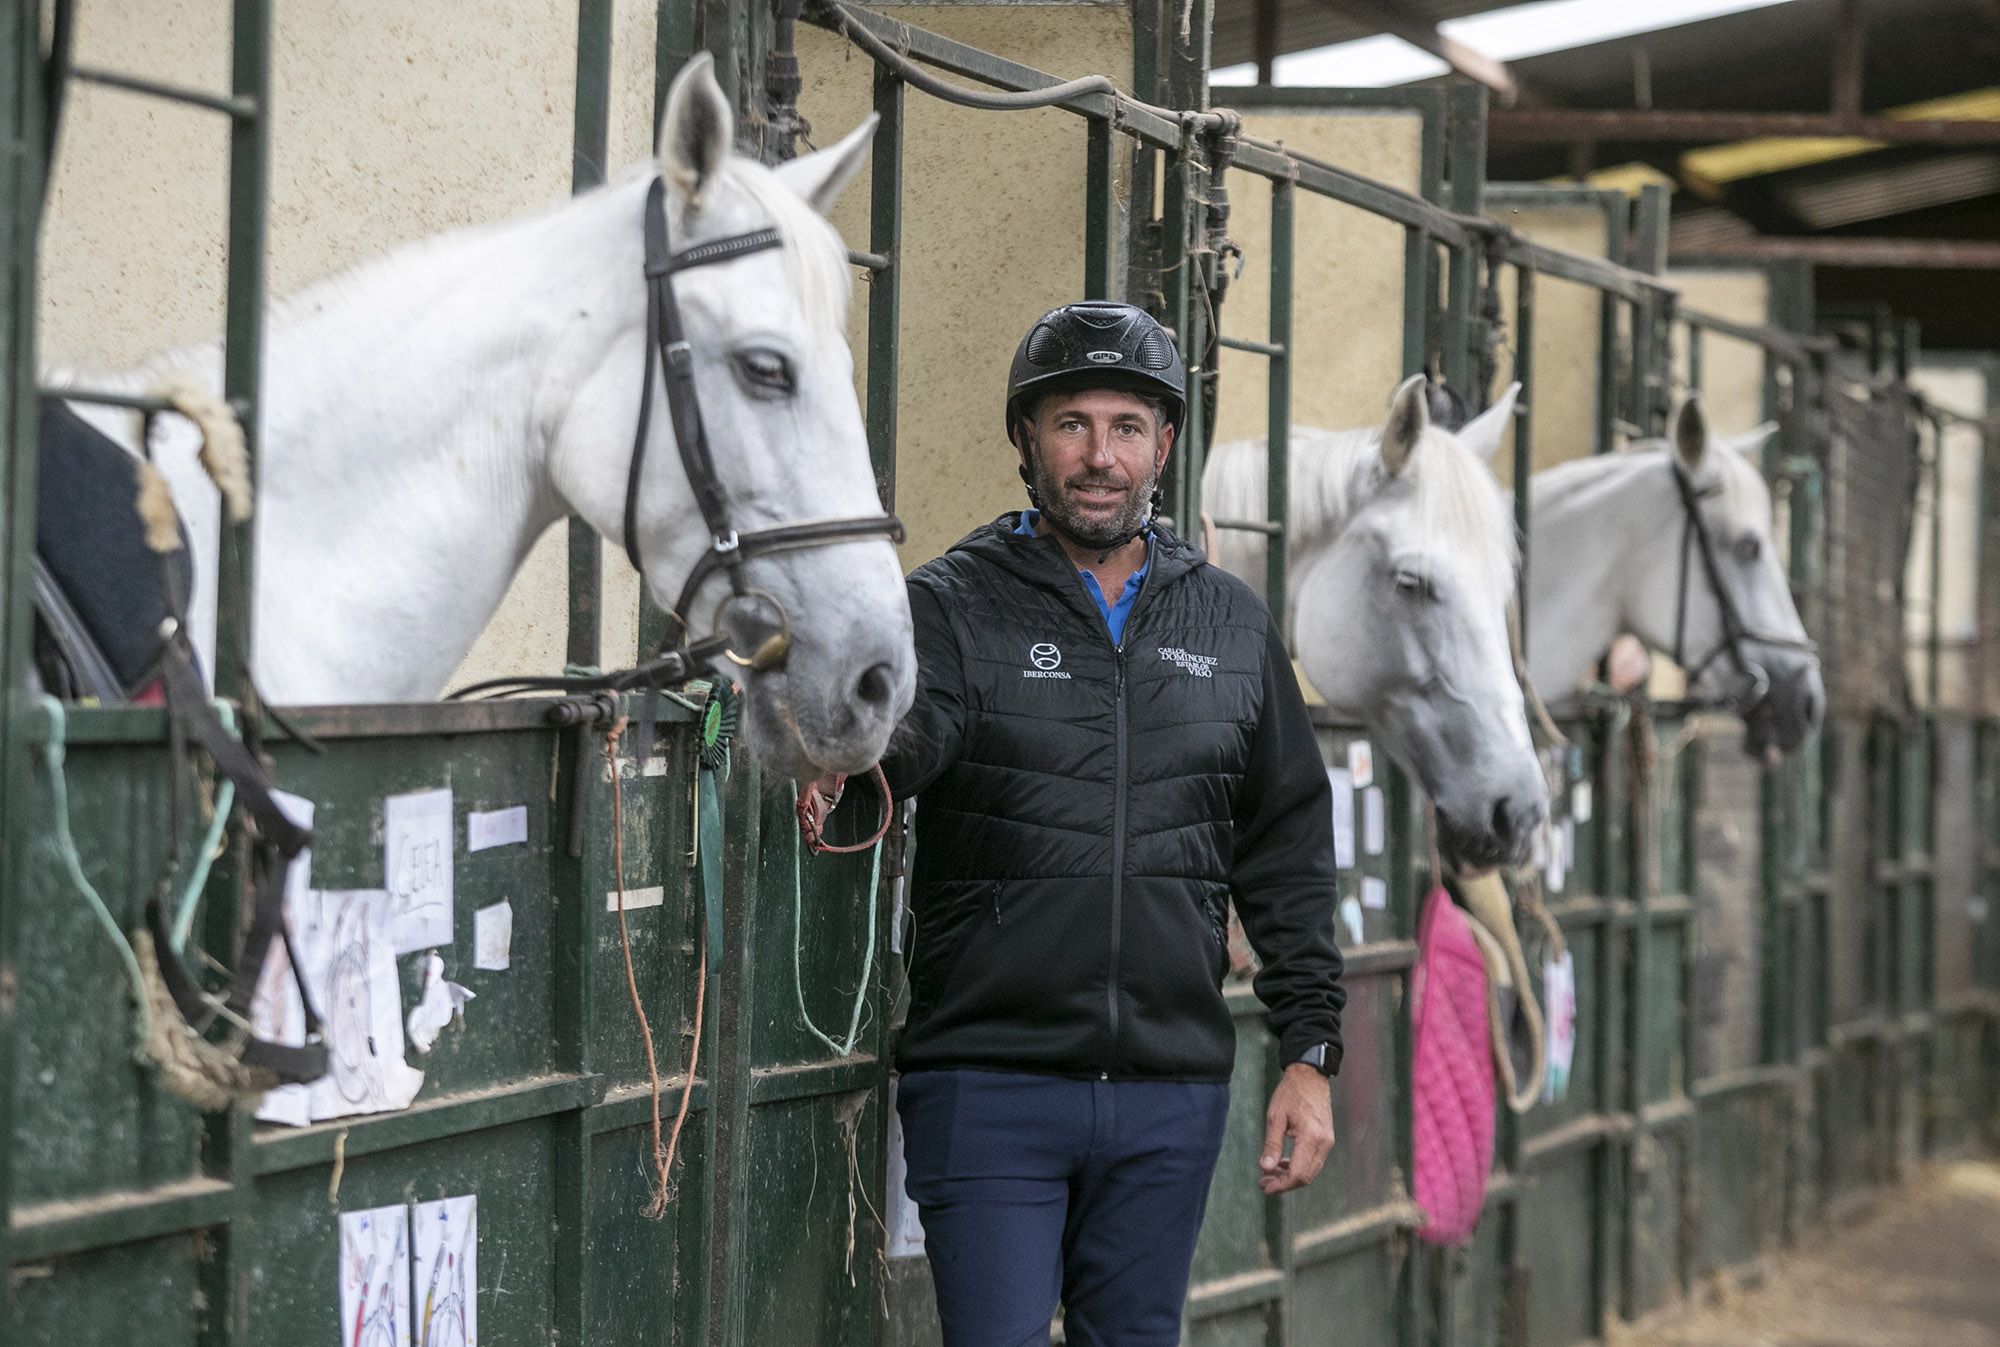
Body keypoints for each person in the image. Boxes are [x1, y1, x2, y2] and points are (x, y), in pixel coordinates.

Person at [805, 301, 1345, 1347]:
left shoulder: (1229, 624)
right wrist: (838, 759)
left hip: (1168, 1094)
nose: (1099, 456)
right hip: (989, 1085)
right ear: (1024, 439)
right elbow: (903, 752)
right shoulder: (950, 607)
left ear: (1164, 445)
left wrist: (1308, 1054)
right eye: (1070, 424)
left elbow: (1286, 846)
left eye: (1127, 426)